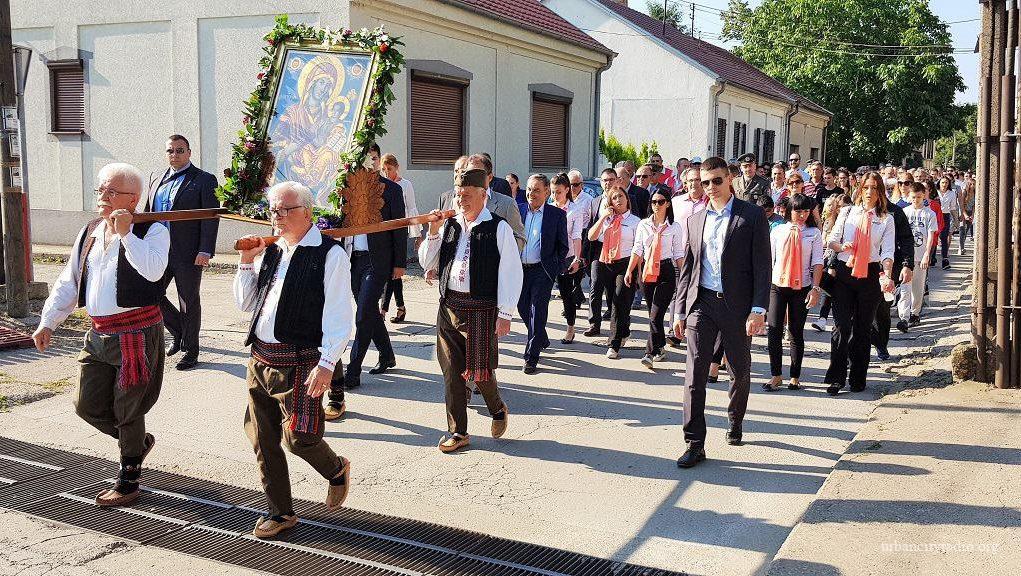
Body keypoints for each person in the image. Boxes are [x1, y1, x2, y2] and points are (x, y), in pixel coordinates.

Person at [34, 163, 169, 507]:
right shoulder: (91, 230)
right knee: (86, 405)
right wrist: (48, 321)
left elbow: (153, 271)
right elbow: (70, 280)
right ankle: (135, 444)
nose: (103, 197)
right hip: (98, 332)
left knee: (128, 409)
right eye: (101, 190)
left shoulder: (153, 229)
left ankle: (128, 478)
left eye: (112, 191)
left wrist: (126, 234)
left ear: (133, 199)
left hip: (136, 331)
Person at [233, 181, 355, 538]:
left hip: (301, 360)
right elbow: (246, 303)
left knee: (299, 437)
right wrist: (246, 262)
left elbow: (340, 316)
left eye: (286, 209)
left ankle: (335, 468)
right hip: (260, 357)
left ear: (308, 212)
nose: (279, 216)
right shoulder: (271, 250)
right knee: (262, 437)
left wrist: (327, 364)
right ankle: (280, 511)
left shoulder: (329, 254)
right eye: (274, 210)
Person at [672, 156, 770, 468]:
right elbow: (688, 269)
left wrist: (758, 309)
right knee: (694, 374)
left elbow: (762, 265)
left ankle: (735, 419)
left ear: (729, 178)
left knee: (739, 370)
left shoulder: (751, 215)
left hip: (738, 306)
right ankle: (694, 443)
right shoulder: (695, 220)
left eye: (716, 180)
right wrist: (679, 310)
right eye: (705, 182)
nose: (711, 187)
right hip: (702, 304)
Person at [418, 169, 523, 453]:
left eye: (466, 195)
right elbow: (427, 262)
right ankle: (458, 431)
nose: (460, 200)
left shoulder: (498, 227)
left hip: (481, 309)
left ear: (483, 195)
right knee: (452, 371)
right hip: (449, 306)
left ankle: (497, 408)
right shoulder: (449, 225)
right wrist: (433, 232)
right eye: (457, 194)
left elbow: (511, 271)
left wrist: (505, 313)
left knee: (479, 370)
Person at [331, 143, 406, 403]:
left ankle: (353, 371)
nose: (369, 163)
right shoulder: (347, 187)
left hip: (378, 260)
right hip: (352, 259)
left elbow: (399, 227)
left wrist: (399, 263)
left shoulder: (392, 190)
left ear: (379, 160)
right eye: (365, 159)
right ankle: (387, 354)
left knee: (363, 314)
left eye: (374, 158)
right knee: (369, 311)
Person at [145, 134, 219, 371]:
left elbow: (210, 217)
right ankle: (178, 331)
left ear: (189, 153)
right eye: (170, 150)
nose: (174, 155)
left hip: (188, 252)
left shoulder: (204, 180)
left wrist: (205, 250)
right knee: (149, 293)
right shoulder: (156, 177)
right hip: (158, 250)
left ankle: (190, 351)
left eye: (179, 150)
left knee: (188, 300)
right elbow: (148, 213)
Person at [824, 172, 896, 395]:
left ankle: (858, 377)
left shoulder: (886, 219)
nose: (869, 192)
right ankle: (836, 377)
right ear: (860, 189)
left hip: (870, 274)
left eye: (874, 188)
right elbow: (831, 240)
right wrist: (841, 247)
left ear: (880, 192)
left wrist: (887, 275)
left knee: (862, 329)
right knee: (841, 326)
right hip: (845, 272)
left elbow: (888, 251)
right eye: (866, 188)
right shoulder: (848, 212)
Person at [765, 193, 823, 391]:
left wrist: (815, 288)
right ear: (789, 211)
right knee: (774, 329)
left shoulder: (813, 233)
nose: (802, 215)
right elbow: (769, 259)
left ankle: (795, 376)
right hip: (777, 285)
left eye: (806, 211)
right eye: (798, 211)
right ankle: (776, 375)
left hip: (802, 286)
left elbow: (817, 262)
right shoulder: (778, 231)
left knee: (796, 331)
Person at [625, 187, 684, 369]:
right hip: (647, 271)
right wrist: (629, 271)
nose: (656, 205)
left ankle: (649, 353)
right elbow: (637, 249)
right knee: (653, 314)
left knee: (656, 314)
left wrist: (685, 275)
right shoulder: (644, 224)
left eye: (660, 202)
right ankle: (660, 346)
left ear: (668, 204)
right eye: (653, 202)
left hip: (666, 270)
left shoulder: (674, 226)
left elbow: (678, 253)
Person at [517, 174, 569, 373]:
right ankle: (541, 337)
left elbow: (563, 246)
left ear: (547, 192)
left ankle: (531, 357)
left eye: (537, 190)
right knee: (522, 307)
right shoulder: (518, 210)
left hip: (542, 270)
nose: (532, 193)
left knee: (537, 311)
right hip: (519, 269)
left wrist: (555, 268)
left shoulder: (556, 215)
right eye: (529, 189)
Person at [588, 184, 641, 359]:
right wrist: (603, 216)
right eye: (614, 197)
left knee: (619, 302)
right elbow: (591, 236)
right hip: (607, 263)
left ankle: (614, 344)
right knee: (613, 303)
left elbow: (639, 248)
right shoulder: (607, 220)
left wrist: (637, 271)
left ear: (627, 199)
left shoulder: (635, 221)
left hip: (626, 264)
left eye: (621, 196)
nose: (618, 200)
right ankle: (623, 331)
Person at [439, 154, 525, 247]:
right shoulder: (457, 201)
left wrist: (495, 251)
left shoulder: (507, 204)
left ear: (490, 177)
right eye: (469, 173)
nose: (473, 178)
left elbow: (519, 239)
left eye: (478, 174)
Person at [380, 153, 419, 324]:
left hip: (400, 233)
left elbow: (411, 209)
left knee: (393, 272)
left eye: (389, 169)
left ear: (397, 167)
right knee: (393, 273)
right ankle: (400, 307)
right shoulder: (381, 185)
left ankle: (383, 310)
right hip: (385, 234)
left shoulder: (405, 185)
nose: (387, 172)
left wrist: (417, 234)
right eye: (384, 169)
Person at [584, 168, 622, 337]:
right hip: (599, 248)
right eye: (605, 180)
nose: (608, 183)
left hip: (618, 247)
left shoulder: (624, 199)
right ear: (601, 183)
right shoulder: (595, 202)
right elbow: (590, 227)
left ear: (617, 181)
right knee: (595, 284)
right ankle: (594, 323)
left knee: (614, 288)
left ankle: (617, 322)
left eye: (611, 180)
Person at [897, 182, 938, 331]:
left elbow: (931, 236)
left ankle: (914, 313)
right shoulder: (905, 212)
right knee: (904, 287)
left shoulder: (929, 214)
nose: (916, 200)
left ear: (924, 196)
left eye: (919, 197)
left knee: (918, 288)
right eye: (913, 197)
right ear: (909, 196)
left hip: (921, 254)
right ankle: (903, 317)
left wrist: (927, 254)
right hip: (906, 257)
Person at [812, 192, 854, 332]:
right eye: (839, 207)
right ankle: (823, 319)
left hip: (846, 259)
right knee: (829, 287)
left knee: (838, 289)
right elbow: (824, 241)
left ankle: (842, 318)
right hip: (829, 257)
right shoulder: (831, 221)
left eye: (845, 206)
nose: (842, 209)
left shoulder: (853, 221)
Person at [552, 173, 585, 345]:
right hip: (550, 257)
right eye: (552, 192)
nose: (555, 195)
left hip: (567, 257)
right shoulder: (549, 207)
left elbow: (577, 235)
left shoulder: (575, 210)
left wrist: (577, 258)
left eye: (558, 192)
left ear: (566, 190)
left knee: (566, 294)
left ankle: (570, 328)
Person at [567, 169, 594, 308]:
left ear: (581, 185)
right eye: (570, 184)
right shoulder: (564, 199)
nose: (573, 187)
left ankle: (575, 299)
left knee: (578, 269)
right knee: (567, 269)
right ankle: (575, 297)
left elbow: (591, 220)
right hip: (567, 235)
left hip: (583, 235)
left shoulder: (588, 200)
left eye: (576, 184)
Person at [936, 175, 959, 270]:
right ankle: (932, 257)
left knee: (944, 237)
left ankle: (945, 260)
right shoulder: (935, 192)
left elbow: (953, 208)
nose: (944, 184)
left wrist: (956, 221)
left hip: (945, 215)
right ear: (939, 183)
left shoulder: (952, 193)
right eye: (942, 182)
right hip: (934, 215)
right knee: (933, 237)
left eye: (946, 183)